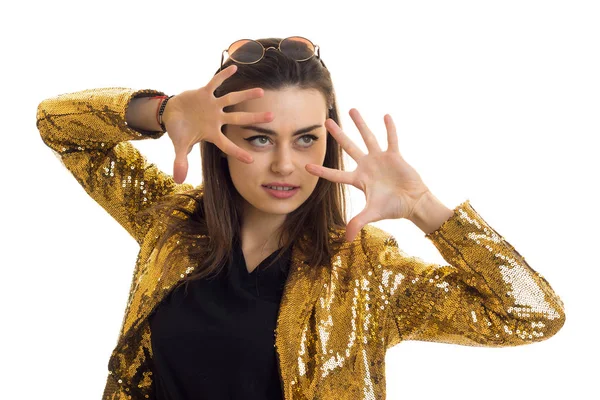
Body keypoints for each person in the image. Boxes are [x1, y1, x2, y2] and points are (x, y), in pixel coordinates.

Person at [36, 36, 566, 400]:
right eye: (260, 138)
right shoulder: (171, 222)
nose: (286, 164)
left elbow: (530, 315)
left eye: (307, 138)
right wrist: (164, 109)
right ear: (221, 144)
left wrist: (425, 207)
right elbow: (57, 125)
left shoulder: (365, 271)